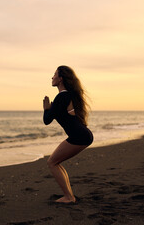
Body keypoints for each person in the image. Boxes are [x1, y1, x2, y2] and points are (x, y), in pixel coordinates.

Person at [43, 65, 93, 204]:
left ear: (60, 79)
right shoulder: (69, 96)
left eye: (54, 75)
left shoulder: (61, 97)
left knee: (52, 162)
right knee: (55, 162)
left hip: (79, 136)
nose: (52, 77)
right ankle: (69, 195)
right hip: (83, 135)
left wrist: (46, 109)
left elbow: (47, 120)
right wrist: (50, 109)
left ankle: (69, 197)